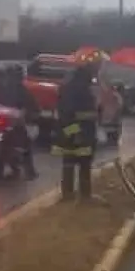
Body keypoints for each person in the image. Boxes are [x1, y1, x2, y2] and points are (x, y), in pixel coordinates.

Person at [53, 61, 99, 201]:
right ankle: (85, 195)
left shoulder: (66, 86)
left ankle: (67, 194)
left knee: (68, 161)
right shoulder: (81, 89)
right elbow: (75, 112)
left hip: (66, 129)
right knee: (84, 162)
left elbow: (63, 111)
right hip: (80, 130)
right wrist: (93, 115)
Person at [0, 64, 39, 179]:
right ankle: (30, 171)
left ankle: (29, 170)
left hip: (6, 124)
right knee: (26, 142)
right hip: (2, 123)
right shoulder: (21, 90)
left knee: (25, 140)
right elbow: (33, 107)